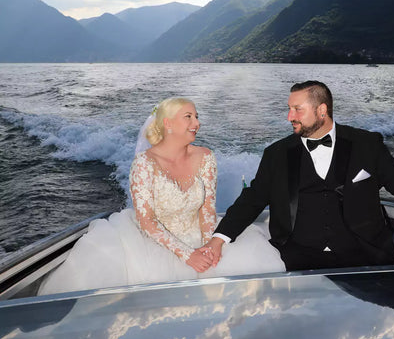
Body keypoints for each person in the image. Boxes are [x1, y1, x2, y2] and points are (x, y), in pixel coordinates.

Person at [204, 80, 394, 271]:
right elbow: (252, 199)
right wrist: (220, 238)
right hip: (297, 260)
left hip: (366, 257)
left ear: (322, 110)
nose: (290, 116)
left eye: (297, 109)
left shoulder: (366, 144)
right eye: (289, 109)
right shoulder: (277, 153)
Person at [39, 98, 284, 295]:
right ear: (167, 124)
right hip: (152, 241)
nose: (196, 122)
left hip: (200, 235)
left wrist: (209, 247)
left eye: (197, 116)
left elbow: (207, 209)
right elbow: (146, 221)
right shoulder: (144, 163)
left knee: (252, 267)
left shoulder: (206, 156)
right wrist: (188, 255)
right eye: (188, 116)